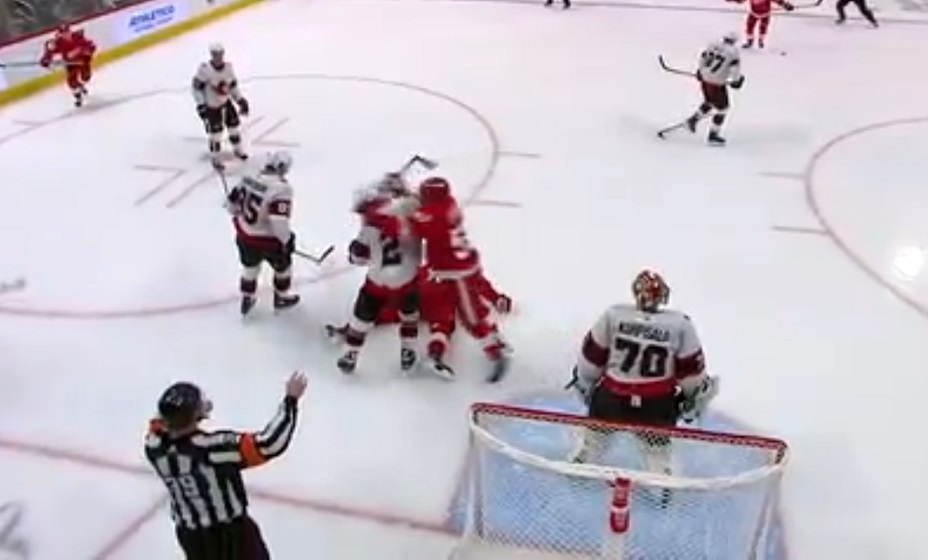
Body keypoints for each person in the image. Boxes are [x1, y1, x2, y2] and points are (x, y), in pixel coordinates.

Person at [566, 270, 718, 474]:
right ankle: (661, 477)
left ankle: (583, 460)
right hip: (656, 406)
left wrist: (586, 383)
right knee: (657, 452)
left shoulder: (614, 315)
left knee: (594, 438)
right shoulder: (681, 324)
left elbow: (592, 357)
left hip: (612, 398)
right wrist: (692, 398)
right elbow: (691, 372)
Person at [145, 371, 306, 559]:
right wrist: (290, 400)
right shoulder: (212, 449)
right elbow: (269, 444)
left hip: (190, 535)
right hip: (230, 535)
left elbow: (163, 424)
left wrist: (193, 413)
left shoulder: (153, 446)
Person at [365, 176, 512, 382]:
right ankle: (493, 341)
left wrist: (385, 211)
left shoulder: (433, 215)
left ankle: (496, 352)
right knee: (465, 311)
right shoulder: (446, 204)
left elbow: (412, 224)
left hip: (456, 272)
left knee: (470, 318)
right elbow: (421, 210)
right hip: (460, 266)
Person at [335, 173, 423, 374]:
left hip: (379, 281)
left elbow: (359, 258)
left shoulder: (371, 226)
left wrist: (354, 252)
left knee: (362, 315)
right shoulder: (413, 217)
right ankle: (408, 350)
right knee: (409, 314)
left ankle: (351, 353)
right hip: (407, 278)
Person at [225, 152, 300, 315]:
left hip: (244, 235)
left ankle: (247, 296)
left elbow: (231, 204)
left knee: (250, 267)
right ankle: (281, 297)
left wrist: (239, 216)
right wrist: (287, 240)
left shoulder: (248, 178)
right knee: (283, 268)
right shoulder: (281, 189)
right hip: (268, 241)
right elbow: (278, 221)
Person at [192, 43, 250, 169]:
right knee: (216, 135)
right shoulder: (205, 70)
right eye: (215, 55)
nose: (218, 57)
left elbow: (233, 87)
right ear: (212, 55)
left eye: (220, 54)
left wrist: (240, 100)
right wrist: (201, 105)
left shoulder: (228, 68)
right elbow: (196, 89)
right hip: (212, 107)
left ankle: (238, 150)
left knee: (234, 128)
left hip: (225, 103)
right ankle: (216, 157)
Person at [685, 32, 744, 146]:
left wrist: (700, 71)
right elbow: (734, 69)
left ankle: (692, 120)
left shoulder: (712, 45)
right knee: (723, 109)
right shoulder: (733, 52)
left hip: (705, 80)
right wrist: (736, 80)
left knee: (710, 102)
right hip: (717, 83)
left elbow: (703, 58)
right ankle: (713, 135)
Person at [39, 25, 96, 107]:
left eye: (67, 32)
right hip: (70, 64)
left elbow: (91, 45)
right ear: (60, 34)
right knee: (71, 81)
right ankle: (78, 96)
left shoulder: (78, 37)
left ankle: (81, 85)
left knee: (86, 77)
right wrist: (45, 60)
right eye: (63, 33)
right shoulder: (58, 43)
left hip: (83, 61)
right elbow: (49, 53)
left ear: (70, 31)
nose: (66, 35)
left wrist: (87, 51)